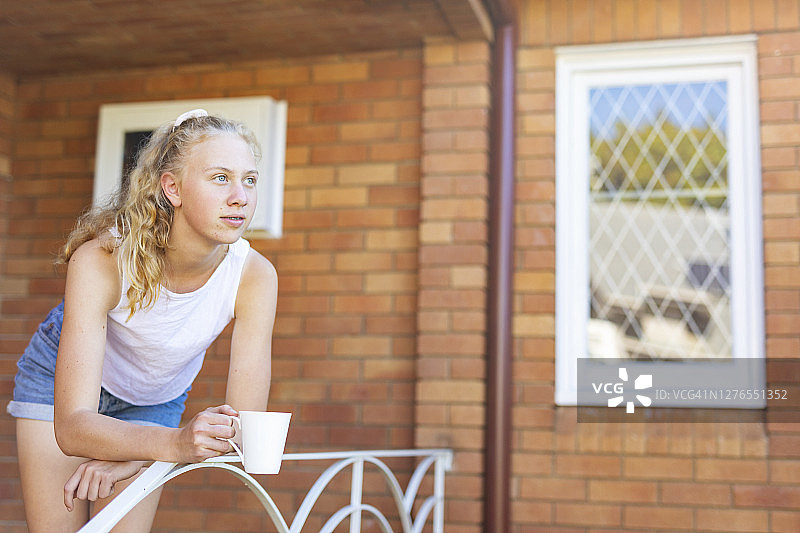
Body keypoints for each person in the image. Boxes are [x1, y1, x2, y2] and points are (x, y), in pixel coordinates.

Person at [6, 109, 278, 532]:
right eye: (220, 178)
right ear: (172, 187)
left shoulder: (255, 276)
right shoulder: (103, 260)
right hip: (63, 393)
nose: (240, 196)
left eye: (250, 179)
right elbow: (73, 425)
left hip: (155, 403)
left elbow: (242, 428)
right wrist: (173, 444)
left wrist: (140, 454)